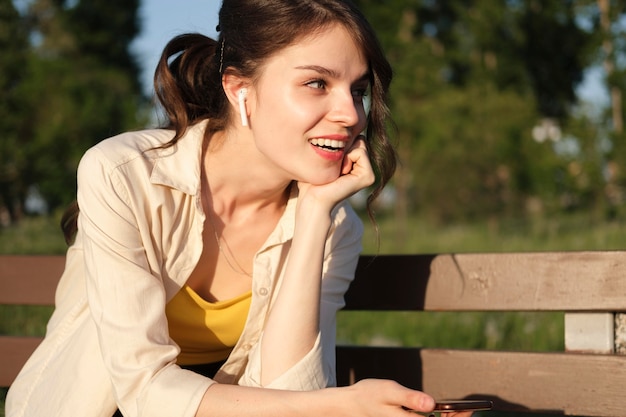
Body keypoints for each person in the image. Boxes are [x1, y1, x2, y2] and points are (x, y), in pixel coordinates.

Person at [7, 1, 472, 416]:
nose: (351, 115)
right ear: (239, 90)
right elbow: (143, 391)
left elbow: (289, 389)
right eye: (316, 83)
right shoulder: (123, 175)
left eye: (357, 90)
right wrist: (338, 406)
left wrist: (313, 216)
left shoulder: (336, 228)